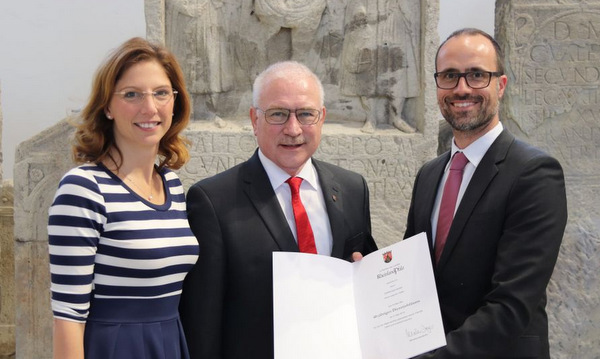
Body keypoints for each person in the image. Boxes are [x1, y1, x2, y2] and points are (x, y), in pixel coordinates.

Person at [179, 60, 377, 358]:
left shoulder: (352, 189)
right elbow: (203, 322)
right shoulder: (212, 201)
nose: (293, 128)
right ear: (254, 120)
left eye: (305, 114)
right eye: (278, 114)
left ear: (321, 118)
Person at [404, 28, 568, 358]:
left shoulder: (534, 174)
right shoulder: (429, 174)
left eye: (477, 75)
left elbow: (511, 306)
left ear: (501, 85)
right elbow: (413, 274)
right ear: (437, 86)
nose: (462, 88)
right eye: (450, 76)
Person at [48, 37, 199, 359]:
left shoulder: (171, 185)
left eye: (161, 93)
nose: (150, 108)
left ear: (175, 101)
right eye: (132, 95)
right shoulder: (83, 188)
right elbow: (67, 317)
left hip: (170, 341)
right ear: (107, 106)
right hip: (113, 347)